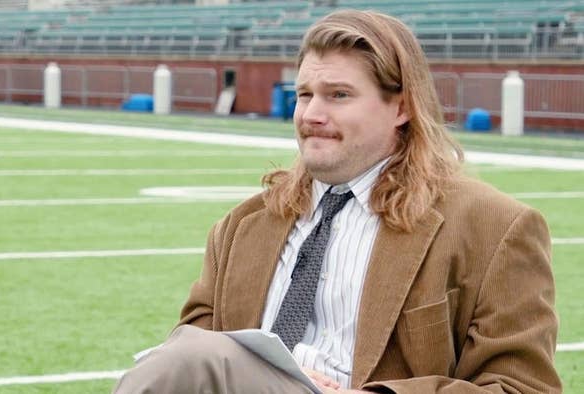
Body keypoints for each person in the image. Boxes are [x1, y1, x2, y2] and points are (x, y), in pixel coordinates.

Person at [114, 9, 560, 394]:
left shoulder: (494, 226)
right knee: (192, 353)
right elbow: (190, 351)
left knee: (194, 356)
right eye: (304, 94)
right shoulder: (242, 225)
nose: (311, 115)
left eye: (338, 95)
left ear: (401, 108)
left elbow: (521, 387)